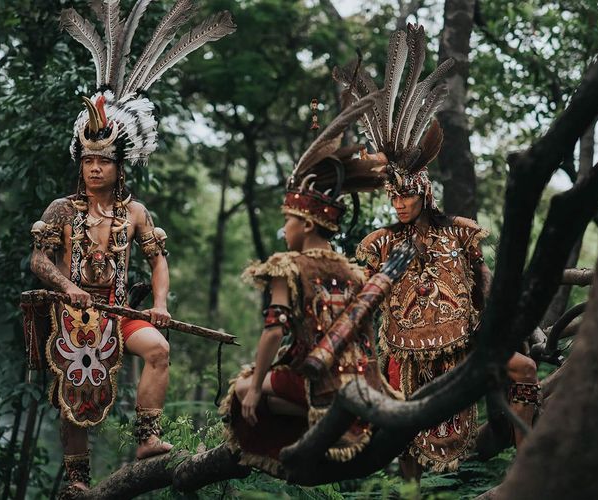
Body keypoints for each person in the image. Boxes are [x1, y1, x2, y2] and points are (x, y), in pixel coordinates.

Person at [29, 0, 235, 495]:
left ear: (122, 165)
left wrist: (160, 303)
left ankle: (149, 438)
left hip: (120, 311)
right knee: (73, 396)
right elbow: (38, 260)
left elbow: (157, 260)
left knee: (159, 348)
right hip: (72, 317)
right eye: (88, 160)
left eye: (103, 161)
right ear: (79, 162)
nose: (94, 168)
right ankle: (78, 480)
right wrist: (67, 287)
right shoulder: (61, 210)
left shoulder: (136, 212)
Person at [337, 24, 539, 478]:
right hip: (405, 358)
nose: (400, 203)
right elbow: (362, 298)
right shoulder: (381, 242)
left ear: (424, 192)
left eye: (407, 195)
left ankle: (530, 469)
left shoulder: (462, 233)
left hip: (466, 347)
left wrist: (507, 329)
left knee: (524, 371)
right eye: (393, 197)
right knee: (406, 439)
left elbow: (486, 285)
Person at [221, 93, 400, 475]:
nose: (283, 229)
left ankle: (304, 426)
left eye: (287, 220)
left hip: (318, 383)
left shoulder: (287, 265)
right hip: (366, 384)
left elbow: (273, 332)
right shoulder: (355, 272)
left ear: (305, 224)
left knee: (241, 389)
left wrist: (255, 389)